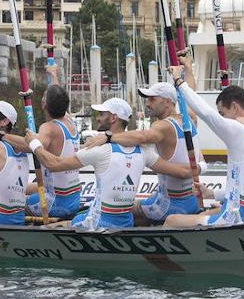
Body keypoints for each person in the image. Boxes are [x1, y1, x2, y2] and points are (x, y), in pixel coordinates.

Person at [21, 98, 166, 232]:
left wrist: (34, 144)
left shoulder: (100, 150)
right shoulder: (144, 151)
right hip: (125, 223)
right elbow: (182, 172)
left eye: (102, 114)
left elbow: (53, 164)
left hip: (95, 225)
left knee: (46, 229)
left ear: (113, 118)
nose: (97, 118)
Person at [163, 56, 244, 228]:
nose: (222, 119)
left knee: (171, 221)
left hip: (232, 219)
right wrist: (210, 193)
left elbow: (206, 113)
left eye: (222, 113)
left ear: (235, 107)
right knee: (209, 212)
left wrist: (179, 81)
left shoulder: (239, 131)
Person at [82, 80, 201, 224]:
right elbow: (191, 93)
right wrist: (187, 67)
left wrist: (109, 137)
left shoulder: (162, 125)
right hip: (192, 200)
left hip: (168, 205)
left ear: (167, 102)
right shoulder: (190, 119)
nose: (147, 104)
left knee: (122, 210)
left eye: (152, 99)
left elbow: (143, 137)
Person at [23, 81, 82, 220]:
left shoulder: (48, 127)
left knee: (12, 202)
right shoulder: (69, 122)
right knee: (25, 189)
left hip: (54, 203)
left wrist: (3, 137)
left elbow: (30, 145)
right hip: (73, 201)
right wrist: (53, 73)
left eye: (44, 96)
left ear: (44, 104)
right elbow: (59, 97)